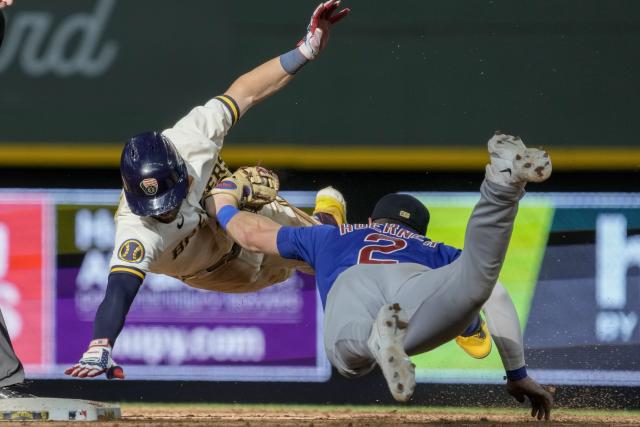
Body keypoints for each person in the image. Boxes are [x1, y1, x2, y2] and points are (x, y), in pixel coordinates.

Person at [65, 0, 350, 379]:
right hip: (221, 270)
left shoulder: (191, 139)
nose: (162, 210)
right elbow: (118, 290)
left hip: (246, 217)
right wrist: (99, 346)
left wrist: (305, 50)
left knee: (330, 250)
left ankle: (328, 223)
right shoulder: (136, 228)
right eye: (153, 206)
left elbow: (245, 91)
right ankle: (310, 221)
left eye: (165, 198)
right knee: (245, 211)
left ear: (179, 168)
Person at [209, 133, 555, 420]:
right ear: (417, 229)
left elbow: (253, 235)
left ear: (374, 222)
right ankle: (501, 186)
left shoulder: (331, 236)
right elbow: (494, 295)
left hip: (351, 283)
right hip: (415, 280)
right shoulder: (435, 249)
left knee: (348, 357)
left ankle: (376, 338)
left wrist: (223, 201)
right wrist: (517, 374)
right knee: (479, 276)